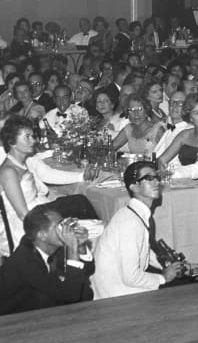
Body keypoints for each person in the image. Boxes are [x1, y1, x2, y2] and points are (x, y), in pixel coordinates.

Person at [91, 161, 184, 298]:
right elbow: (131, 277)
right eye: (148, 178)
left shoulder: (135, 213)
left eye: (156, 177)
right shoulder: (130, 222)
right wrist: (163, 278)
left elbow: (144, 251)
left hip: (120, 289)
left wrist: (175, 266)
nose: (156, 182)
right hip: (117, 297)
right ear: (134, 187)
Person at [0, 117, 86, 256]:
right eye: (27, 137)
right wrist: (53, 226)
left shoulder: (20, 162)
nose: (33, 141)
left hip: (38, 211)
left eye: (32, 136)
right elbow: (23, 214)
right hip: (25, 226)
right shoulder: (8, 171)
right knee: (79, 205)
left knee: (80, 202)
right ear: (12, 142)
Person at [0, 206, 93, 314]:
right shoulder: (25, 261)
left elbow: (88, 270)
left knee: (86, 293)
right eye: (59, 226)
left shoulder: (53, 246)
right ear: (42, 235)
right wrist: (73, 248)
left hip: (39, 306)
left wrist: (80, 246)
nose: (65, 230)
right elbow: (71, 294)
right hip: (11, 318)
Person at [156, 92, 198, 169]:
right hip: (181, 178)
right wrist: (164, 178)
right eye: (196, 113)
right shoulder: (184, 135)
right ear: (190, 117)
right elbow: (162, 160)